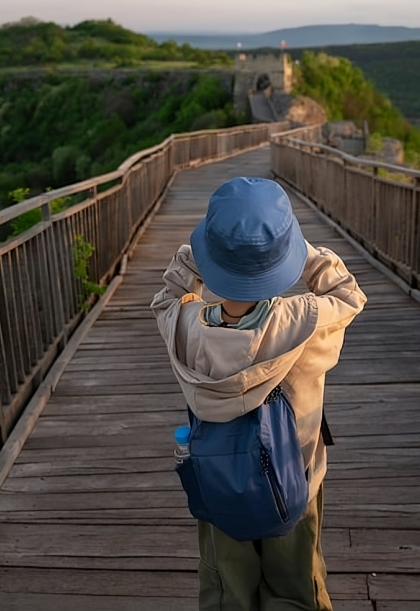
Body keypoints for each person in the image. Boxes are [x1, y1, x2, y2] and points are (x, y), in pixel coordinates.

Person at [151, 176, 367, 611]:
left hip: (219, 480)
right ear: (280, 260)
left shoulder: (185, 326)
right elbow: (348, 294)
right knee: (296, 584)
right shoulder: (307, 320)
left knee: (228, 586)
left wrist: (207, 253)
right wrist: (297, 251)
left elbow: (169, 294)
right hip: (296, 480)